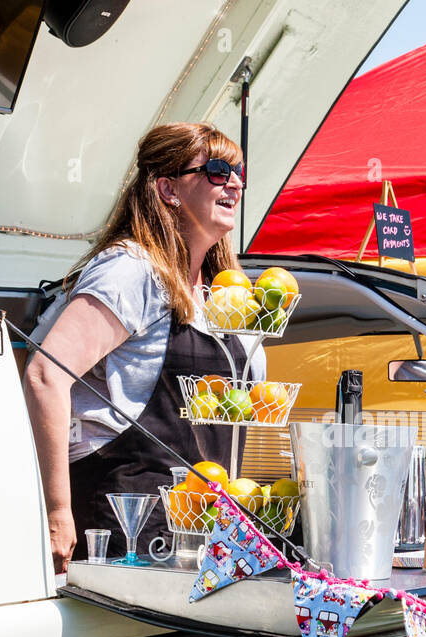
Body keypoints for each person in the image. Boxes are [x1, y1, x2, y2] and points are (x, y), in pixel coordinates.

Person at [24, 123, 258, 572]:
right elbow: (44, 376)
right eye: (216, 169)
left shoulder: (225, 292)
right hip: (126, 532)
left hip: (203, 533)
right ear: (168, 188)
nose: (235, 181)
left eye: (238, 170)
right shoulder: (133, 271)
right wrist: (56, 513)